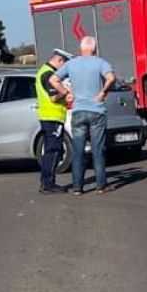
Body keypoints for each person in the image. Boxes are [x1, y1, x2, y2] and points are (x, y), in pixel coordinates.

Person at [54, 36, 115, 195]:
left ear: (80, 49)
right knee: (97, 149)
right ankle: (101, 185)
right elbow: (111, 78)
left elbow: (53, 79)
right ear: (94, 48)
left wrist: (66, 92)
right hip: (96, 110)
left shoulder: (71, 64)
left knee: (77, 150)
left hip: (78, 110)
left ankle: (77, 187)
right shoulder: (101, 62)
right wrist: (103, 92)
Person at [35, 49, 73, 194]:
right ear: (59, 61)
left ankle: (47, 182)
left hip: (49, 116)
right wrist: (65, 92)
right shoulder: (48, 74)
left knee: (51, 150)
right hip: (52, 116)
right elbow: (53, 97)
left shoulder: (44, 71)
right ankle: (48, 184)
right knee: (54, 150)